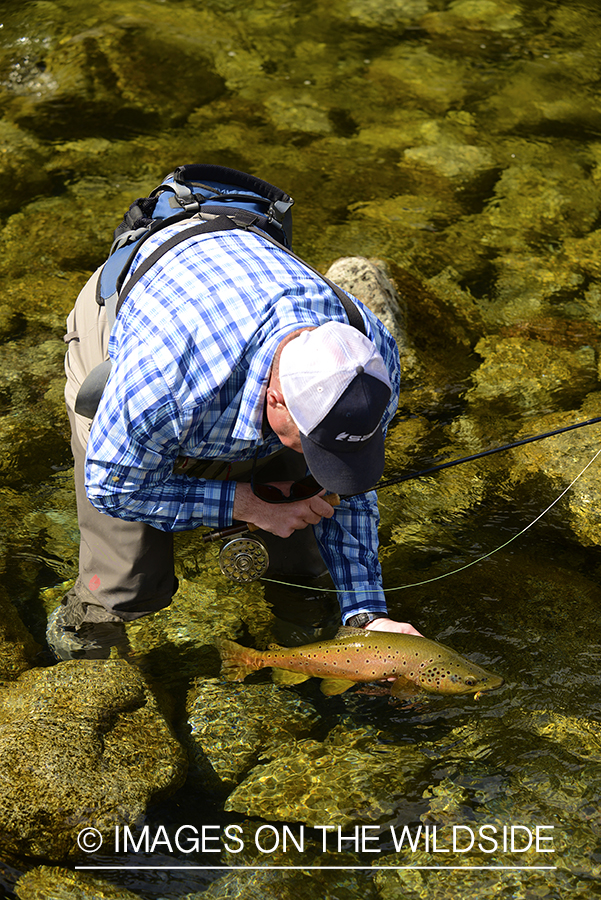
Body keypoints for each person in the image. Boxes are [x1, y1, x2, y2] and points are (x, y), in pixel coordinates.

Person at [46, 166, 421, 661]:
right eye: (312, 442)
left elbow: (347, 496)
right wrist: (247, 505)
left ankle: (306, 638)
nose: (317, 456)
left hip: (238, 314)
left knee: (307, 554)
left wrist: (367, 614)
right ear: (277, 400)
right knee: (127, 580)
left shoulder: (371, 360)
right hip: (135, 316)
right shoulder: (165, 383)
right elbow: (113, 485)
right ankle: (81, 646)